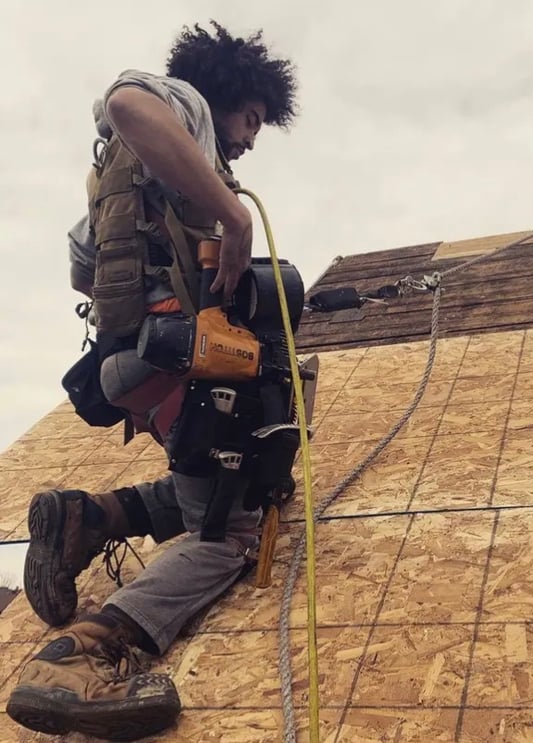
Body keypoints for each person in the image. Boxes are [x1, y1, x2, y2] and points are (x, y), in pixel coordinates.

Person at [7, 21, 298, 741]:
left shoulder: (119, 176)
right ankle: (78, 657)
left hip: (131, 357)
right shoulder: (185, 107)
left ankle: (87, 516)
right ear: (225, 94)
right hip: (181, 350)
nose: (251, 138)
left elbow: (83, 263)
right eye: (253, 118)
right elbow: (129, 102)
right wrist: (231, 218)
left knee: (209, 489)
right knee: (229, 532)